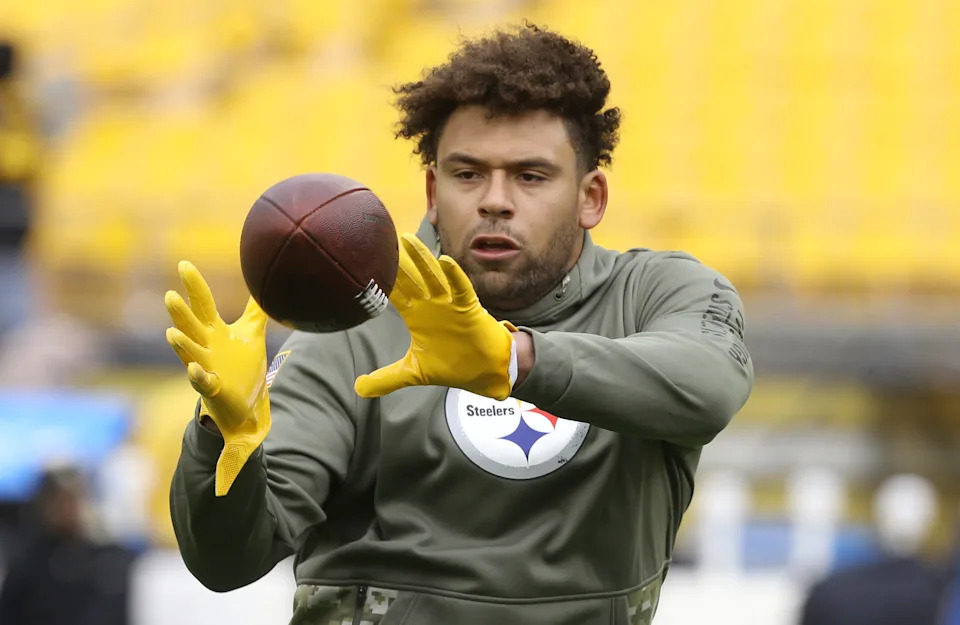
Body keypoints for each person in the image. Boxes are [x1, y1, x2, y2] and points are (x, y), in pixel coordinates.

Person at [165, 23, 754, 625]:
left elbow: (707, 387)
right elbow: (226, 562)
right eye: (468, 174)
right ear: (431, 189)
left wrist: (511, 359)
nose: (495, 200)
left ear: (591, 197)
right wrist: (223, 435)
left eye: (530, 175)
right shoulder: (354, 327)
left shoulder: (659, 293)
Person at [0, 466, 134, 625]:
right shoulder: (28, 562)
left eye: (73, 499)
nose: (67, 509)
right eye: (59, 501)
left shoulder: (109, 559)